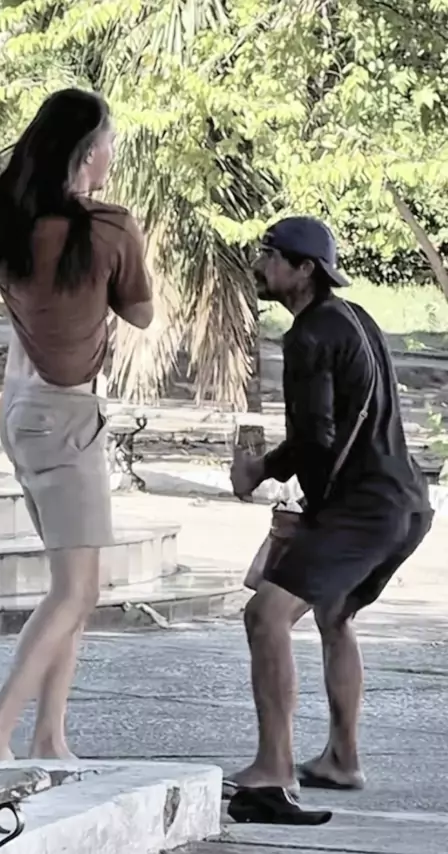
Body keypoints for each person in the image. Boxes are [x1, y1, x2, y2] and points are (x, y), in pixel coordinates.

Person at [228, 216, 433, 820]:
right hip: (406, 503)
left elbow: (314, 439)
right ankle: (342, 758)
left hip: (365, 509)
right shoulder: (356, 319)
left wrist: (258, 471)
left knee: (266, 616)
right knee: (334, 614)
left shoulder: (309, 336)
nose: (260, 265)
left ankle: (273, 767)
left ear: (304, 269)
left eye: (271, 256)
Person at [0, 88, 153, 760]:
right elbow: (141, 314)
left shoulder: (1, 209)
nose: (112, 154)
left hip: (19, 408)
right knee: (78, 592)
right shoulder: (110, 228)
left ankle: (50, 737)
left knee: (70, 586)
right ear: (86, 153)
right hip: (67, 416)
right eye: (109, 142)